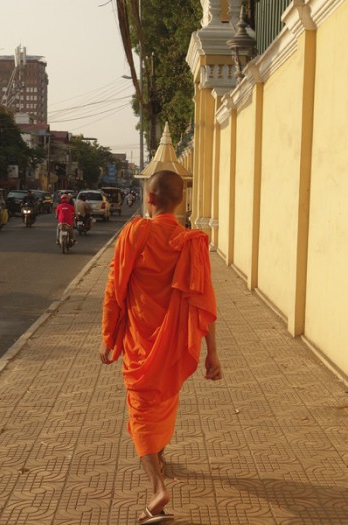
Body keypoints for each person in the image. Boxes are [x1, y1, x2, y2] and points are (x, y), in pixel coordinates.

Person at [98, 170, 222, 524]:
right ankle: (161, 459)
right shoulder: (192, 242)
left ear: (149, 198)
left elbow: (113, 290)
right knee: (162, 405)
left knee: (142, 413)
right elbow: (204, 302)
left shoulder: (136, 233)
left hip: (140, 345)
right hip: (173, 348)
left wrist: (109, 338)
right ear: (180, 201)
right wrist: (212, 353)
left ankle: (157, 490)